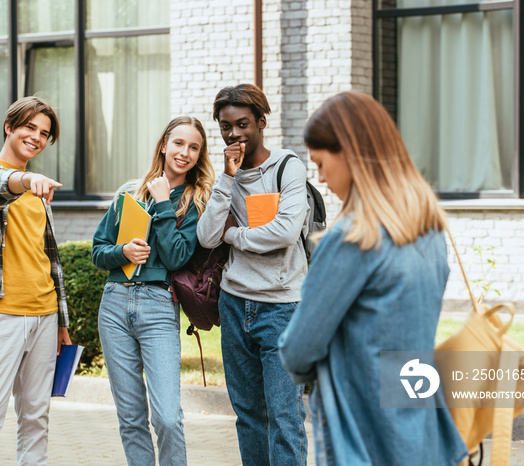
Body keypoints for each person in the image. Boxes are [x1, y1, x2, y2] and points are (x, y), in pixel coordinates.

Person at [278, 91, 469, 466]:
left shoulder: (352, 239)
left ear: (349, 152)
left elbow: (298, 349)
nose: (320, 177)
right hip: (419, 427)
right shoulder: (428, 230)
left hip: (364, 435)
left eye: (320, 163)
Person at [196, 83, 309, 465]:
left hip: (281, 307)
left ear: (261, 122)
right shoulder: (224, 178)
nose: (234, 134)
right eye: (225, 126)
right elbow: (205, 235)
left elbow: (285, 232)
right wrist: (227, 179)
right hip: (234, 304)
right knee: (247, 416)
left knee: (284, 416)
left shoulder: (287, 166)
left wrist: (234, 233)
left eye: (242, 124)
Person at [91, 116, 214, 466]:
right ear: (163, 144)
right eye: (178, 143)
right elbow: (98, 251)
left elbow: (176, 257)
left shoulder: (195, 202)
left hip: (159, 305)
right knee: (130, 417)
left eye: (194, 147)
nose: (185, 152)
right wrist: (123, 252)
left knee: (167, 418)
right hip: (114, 303)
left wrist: (162, 204)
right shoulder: (130, 192)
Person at [0, 96, 72, 465]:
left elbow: (48, 260)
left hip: (44, 316)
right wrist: (26, 179)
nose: (37, 138)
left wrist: (61, 321)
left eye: (44, 133)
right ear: (10, 127)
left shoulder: (41, 194)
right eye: (30, 128)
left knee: (36, 419)